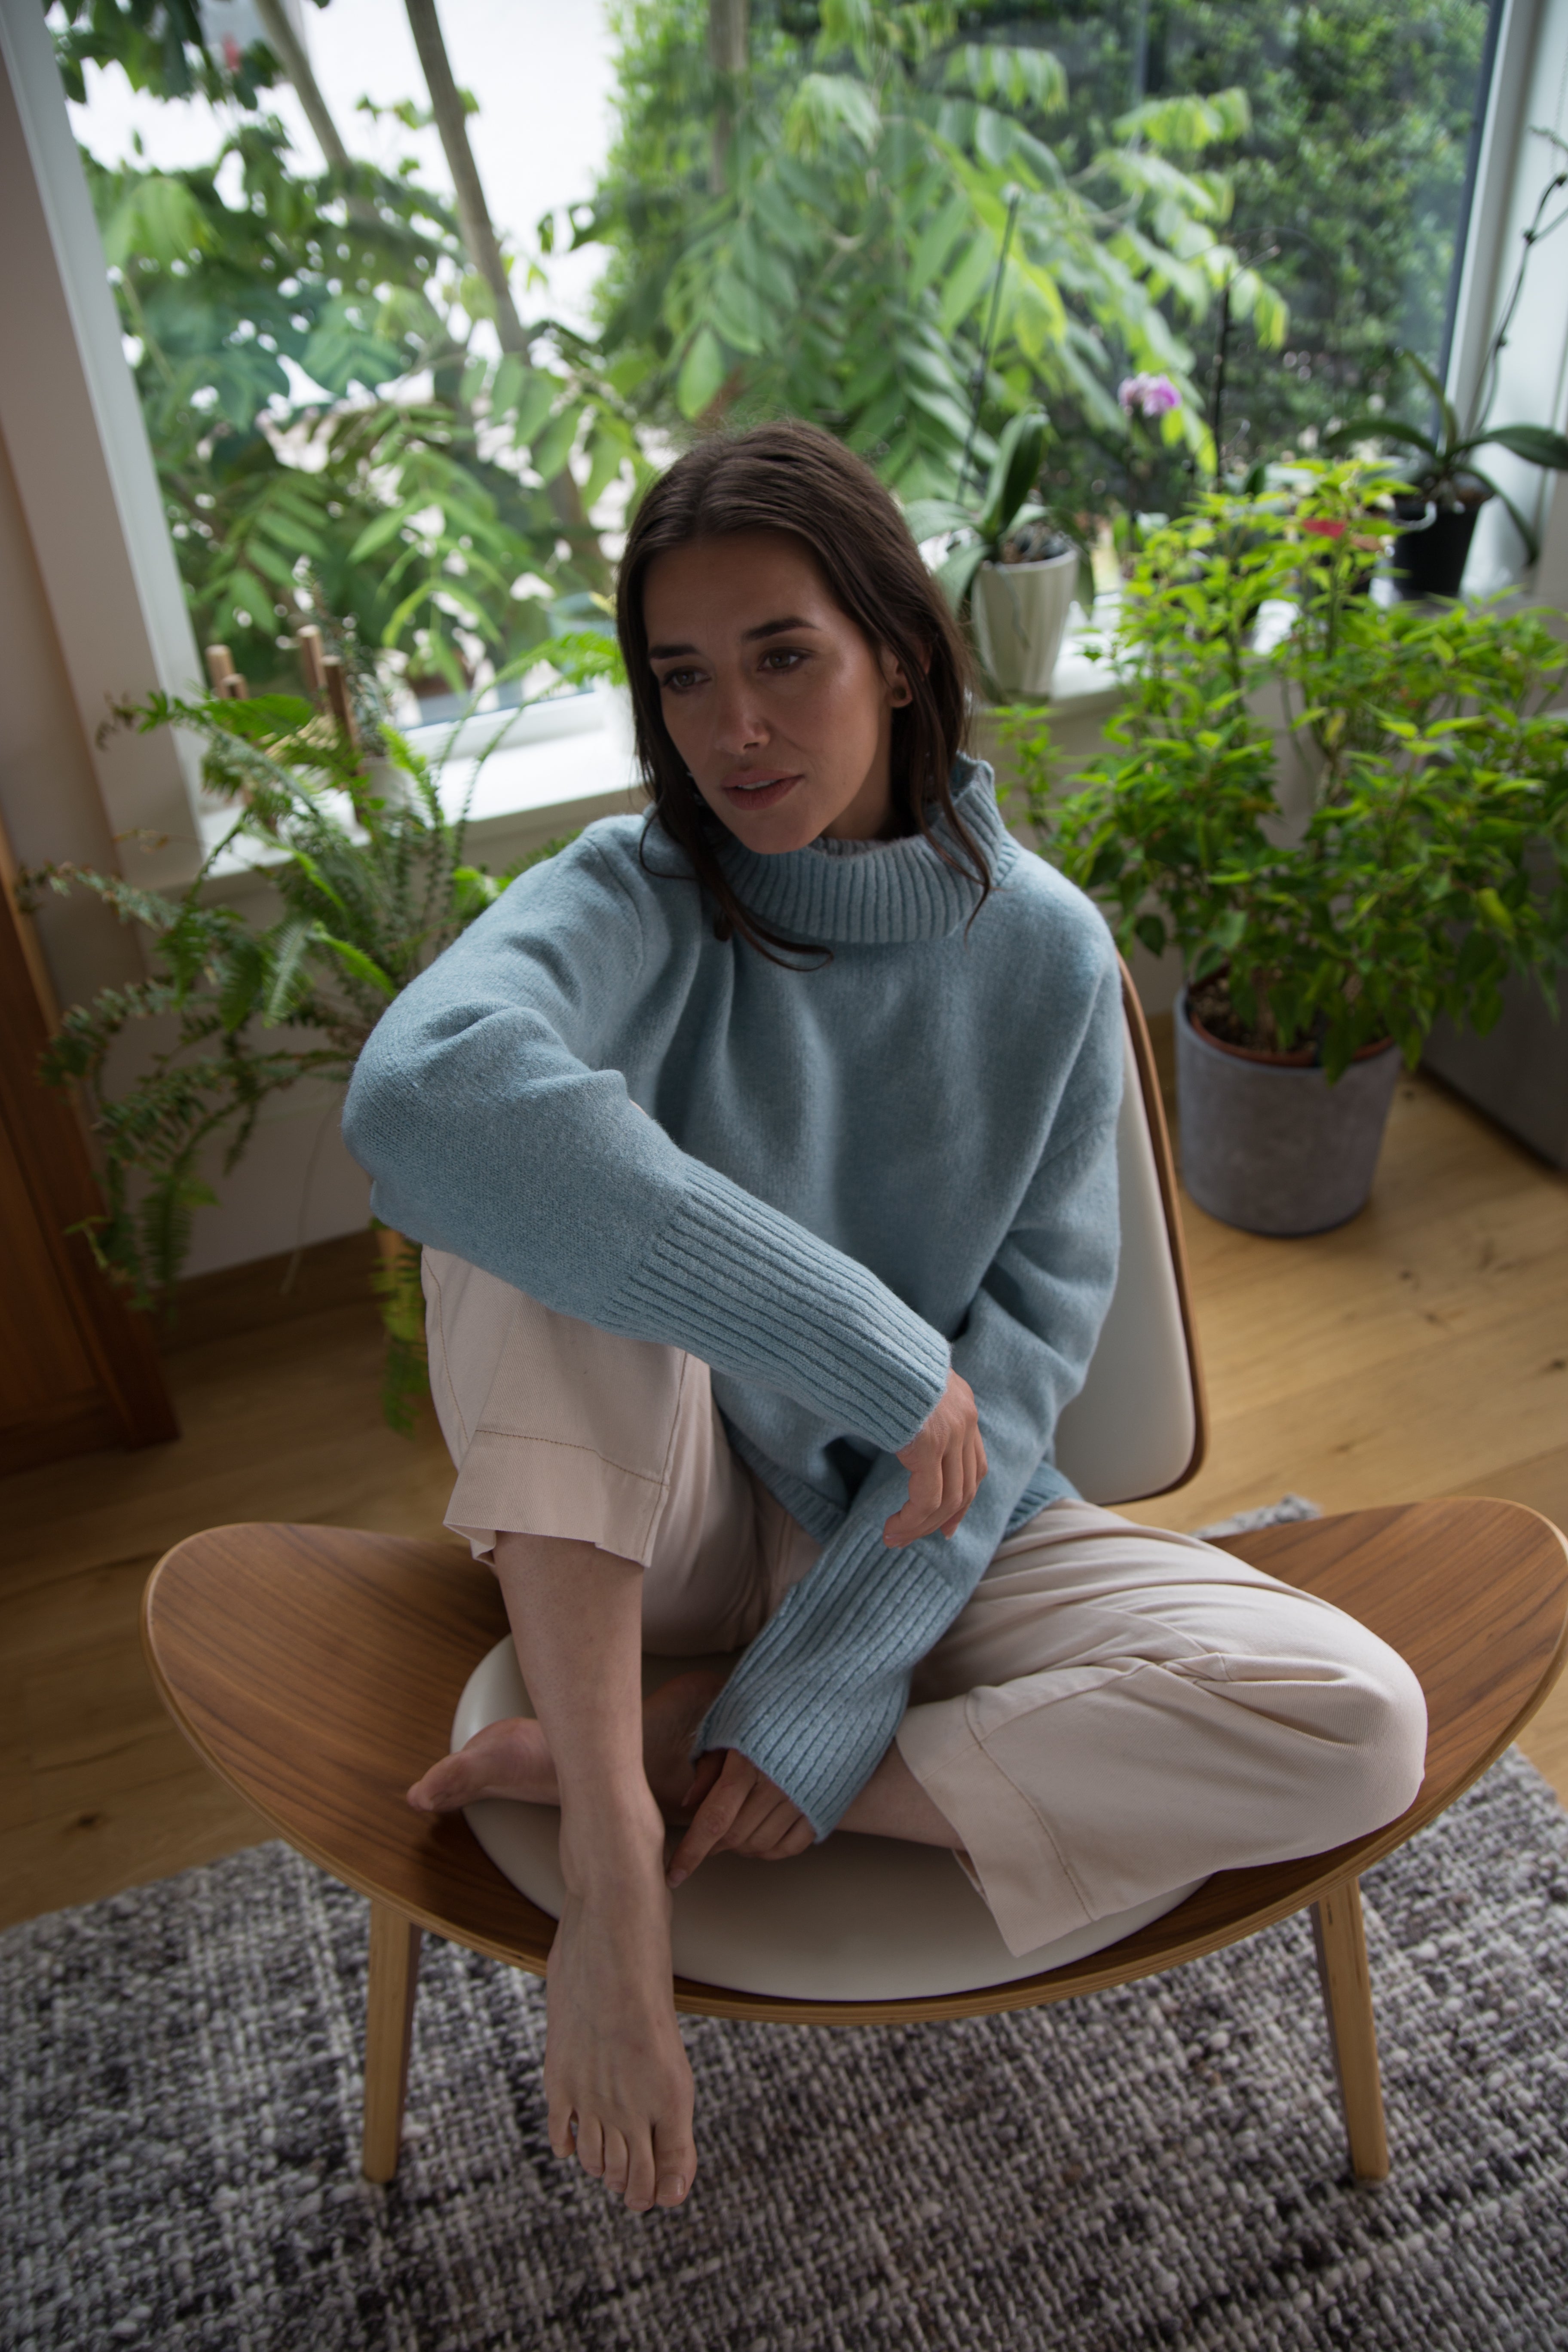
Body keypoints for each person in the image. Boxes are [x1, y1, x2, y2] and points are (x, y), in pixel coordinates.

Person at [342, 421, 1427, 2219]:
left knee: (1357, 1721)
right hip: (671, 1517)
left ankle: (663, 1751)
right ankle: (615, 1855)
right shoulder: (632, 895)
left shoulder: (1049, 953)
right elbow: (415, 1093)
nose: (734, 728)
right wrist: (865, 1346)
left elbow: (1020, 1369)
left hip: (932, 1527)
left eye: (785, 656)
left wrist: (822, 1693)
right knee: (525, 1199)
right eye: (684, 677)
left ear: (902, 655)